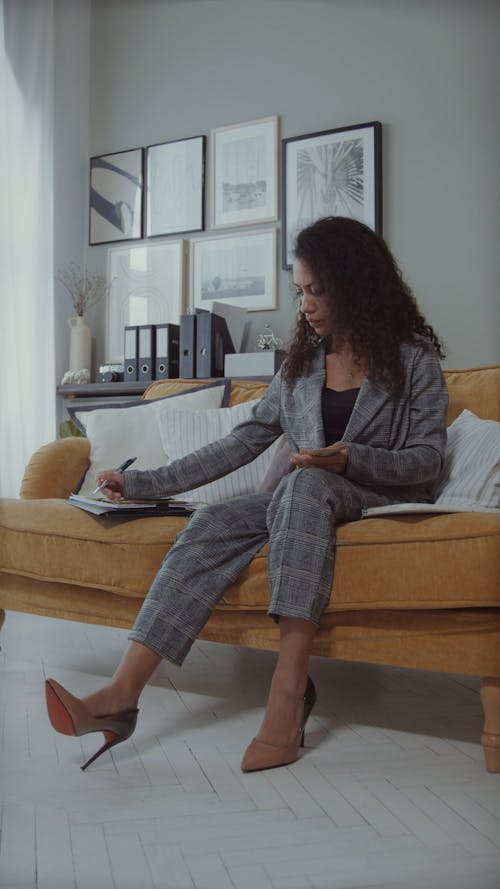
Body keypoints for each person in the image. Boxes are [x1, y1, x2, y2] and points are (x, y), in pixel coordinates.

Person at [45, 216, 448, 773]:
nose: (304, 305)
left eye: (316, 290)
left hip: (375, 500)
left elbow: (428, 460)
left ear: (356, 284)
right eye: (299, 291)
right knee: (210, 521)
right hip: (303, 504)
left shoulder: (412, 360)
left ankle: (287, 695)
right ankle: (120, 697)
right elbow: (239, 445)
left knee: (303, 481)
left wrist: (352, 458)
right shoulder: (301, 366)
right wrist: (139, 482)